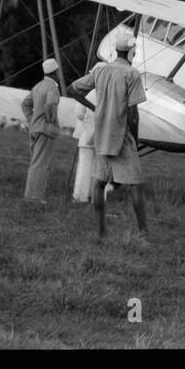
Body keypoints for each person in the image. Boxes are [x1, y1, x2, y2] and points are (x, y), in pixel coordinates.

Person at [70, 30, 149, 241]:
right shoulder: (132, 74)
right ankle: (143, 233)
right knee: (136, 185)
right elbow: (132, 112)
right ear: (132, 52)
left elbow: (73, 89)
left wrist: (95, 108)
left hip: (101, 134)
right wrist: (136, 137)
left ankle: (101, 231)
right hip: (121, 135)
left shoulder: (101, 71)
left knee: (98, 183)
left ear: (116, 50)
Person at [21, 58, 62, 205]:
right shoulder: (52, 88)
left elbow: (25, 104)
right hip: (45, 131)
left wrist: (32, 120)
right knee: (41, 165)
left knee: (35, 163)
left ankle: (30, 196)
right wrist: (50, 121)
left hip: (35, 129)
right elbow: (51, 105)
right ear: (56, 72)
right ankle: (34, 198)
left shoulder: (38, 86)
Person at [70, 97, 96, 203]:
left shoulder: (87, 93)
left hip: (86, 134)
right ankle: (94, 194)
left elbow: (79, 113)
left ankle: (80, 196)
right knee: (98, 169)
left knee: (84, 168)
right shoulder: (111, 90)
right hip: (103, 136)